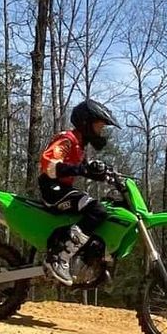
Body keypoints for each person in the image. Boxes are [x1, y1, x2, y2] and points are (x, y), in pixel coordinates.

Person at [37, 98, 120, 286]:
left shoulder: (79, 145)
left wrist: (104, 174)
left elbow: (81, 167)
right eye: (99, 126)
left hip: (63, 189)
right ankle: (59, 257)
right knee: (97, 210)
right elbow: (49, 166)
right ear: (86, 123)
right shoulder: (67, 139)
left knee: (102, 207)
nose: (101, 132)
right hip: (53, 190)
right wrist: (82, 170)